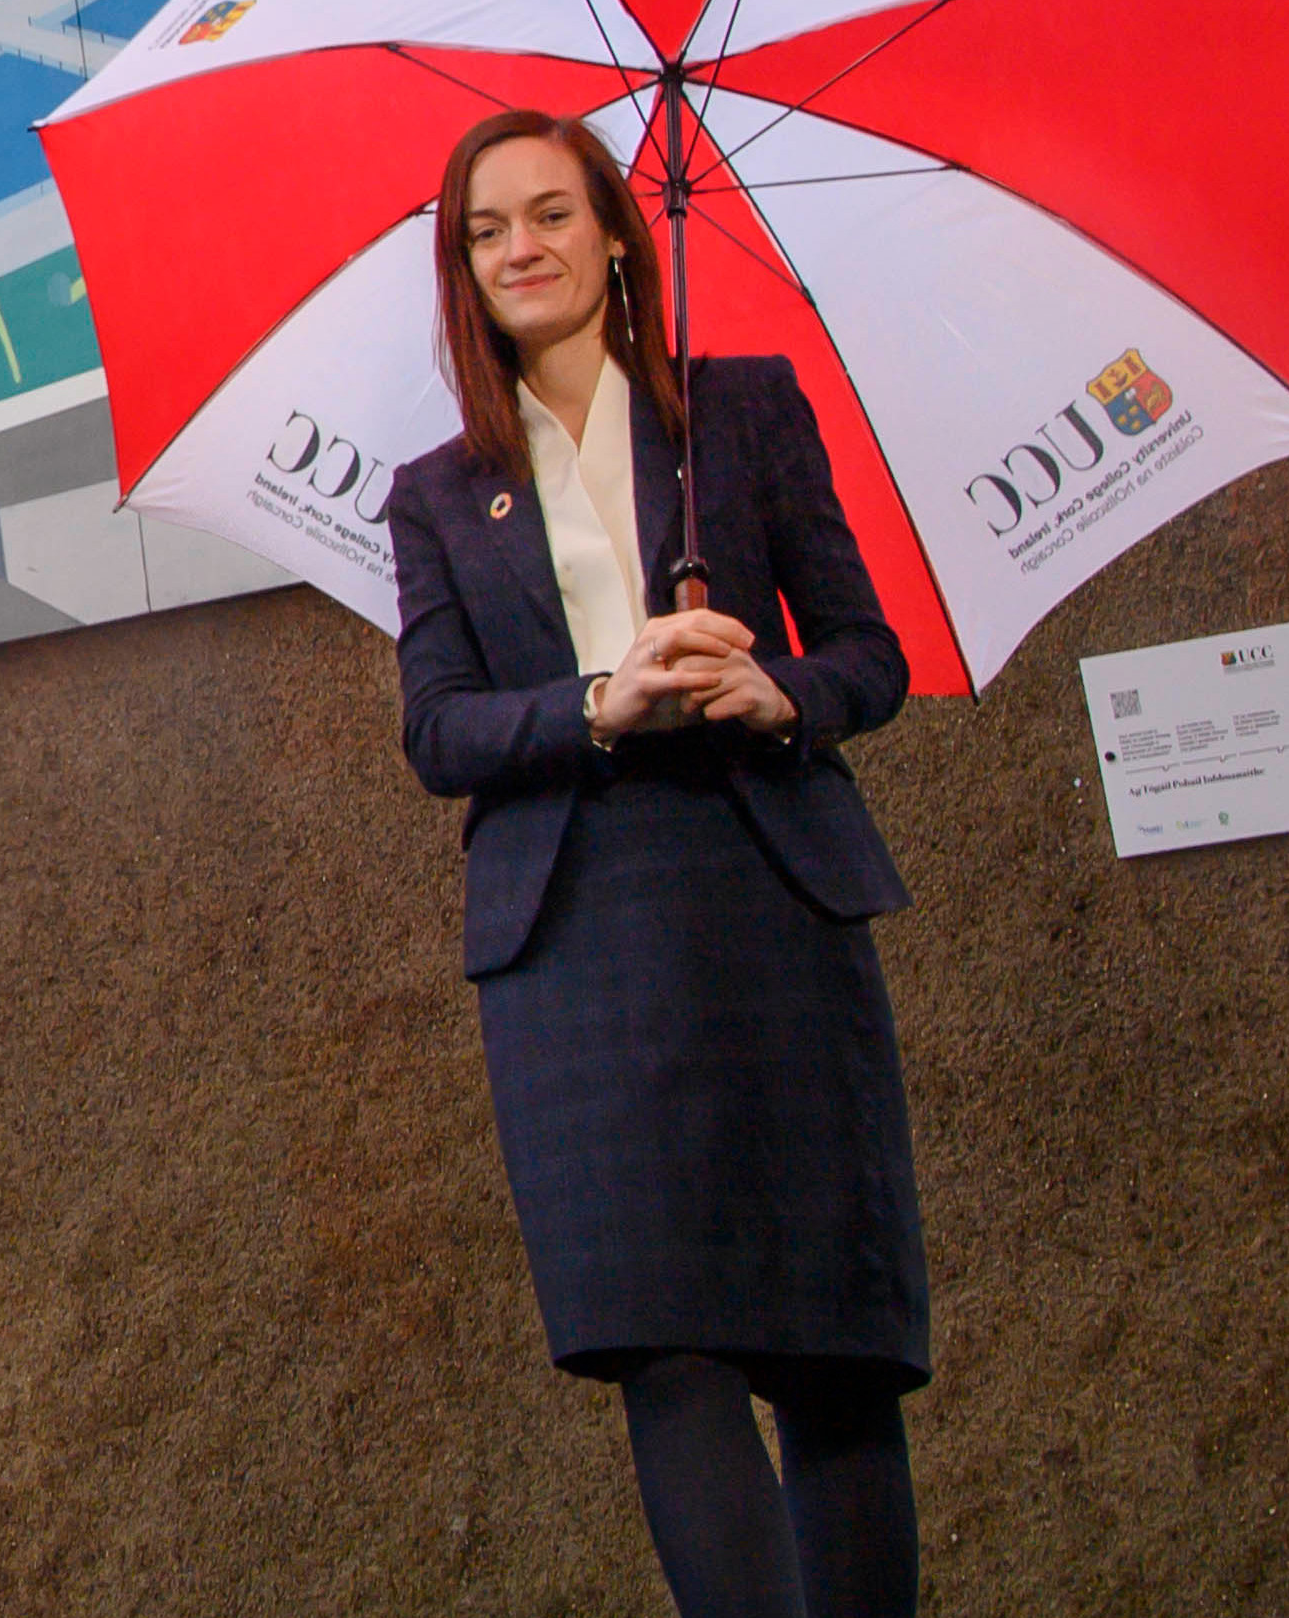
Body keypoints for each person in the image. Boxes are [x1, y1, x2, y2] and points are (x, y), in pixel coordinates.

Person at [385, 109, 930, 1618]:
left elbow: (870, 653)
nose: (522, 249)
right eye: (487, 230)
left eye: (550, 214)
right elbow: (436, 732)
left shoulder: (741, 414)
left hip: (771, 901)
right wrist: (595, 703)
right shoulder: (436, 493)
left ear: (617, 235)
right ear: (463, 270)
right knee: (666, 1346)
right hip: (576, 944)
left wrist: (785, 695)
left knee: (833, 1353)